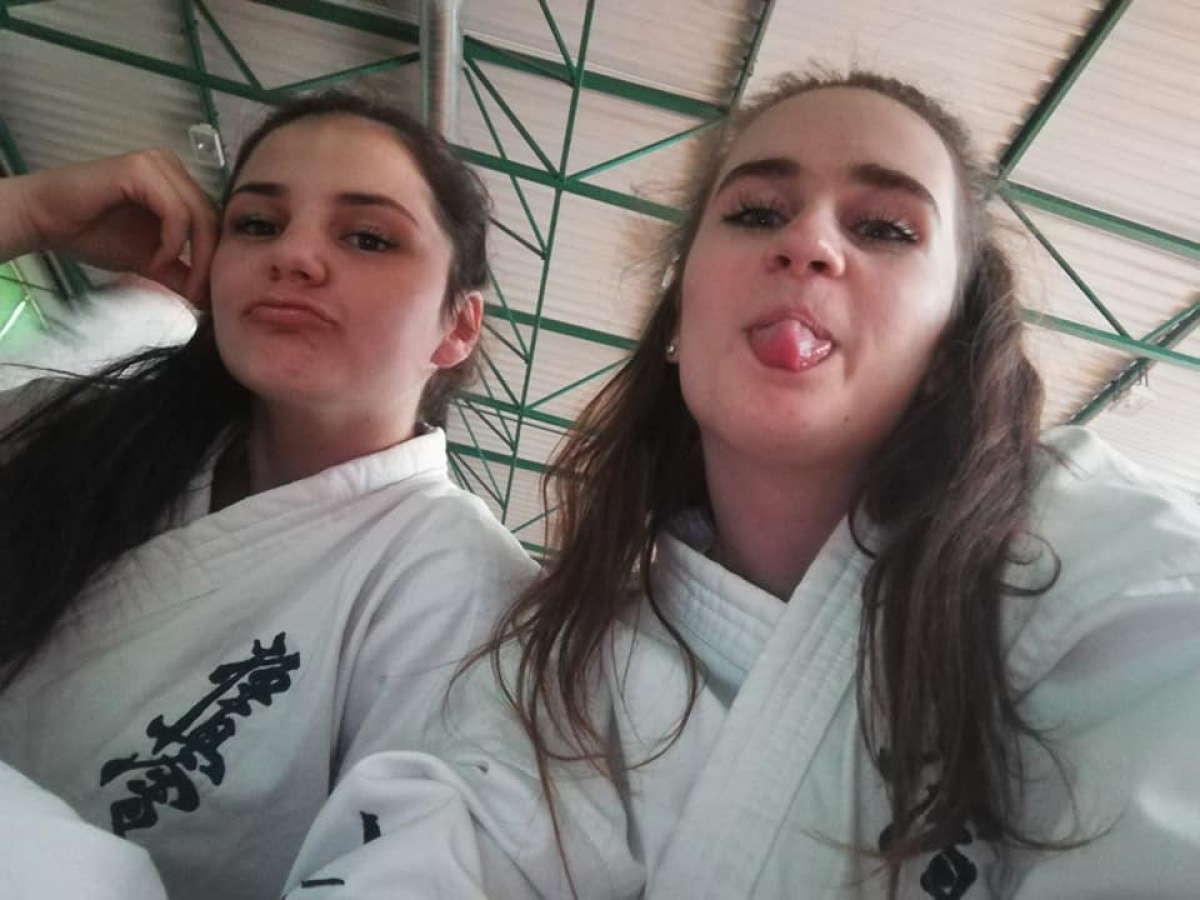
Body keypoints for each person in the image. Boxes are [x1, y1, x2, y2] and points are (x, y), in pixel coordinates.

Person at [281, 70, 1200, 899]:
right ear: (679, 320)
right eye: (758, 212)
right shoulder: (560, 669)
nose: (808, 242)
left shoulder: (1095, 554)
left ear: (950, 340)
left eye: (885, 228)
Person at [0, 90, 535, 900]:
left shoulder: (469, 591)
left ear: (458, 326)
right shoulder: (80, 432)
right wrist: (28, 211)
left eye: (368, 236)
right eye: (257, 224)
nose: (294, 255)